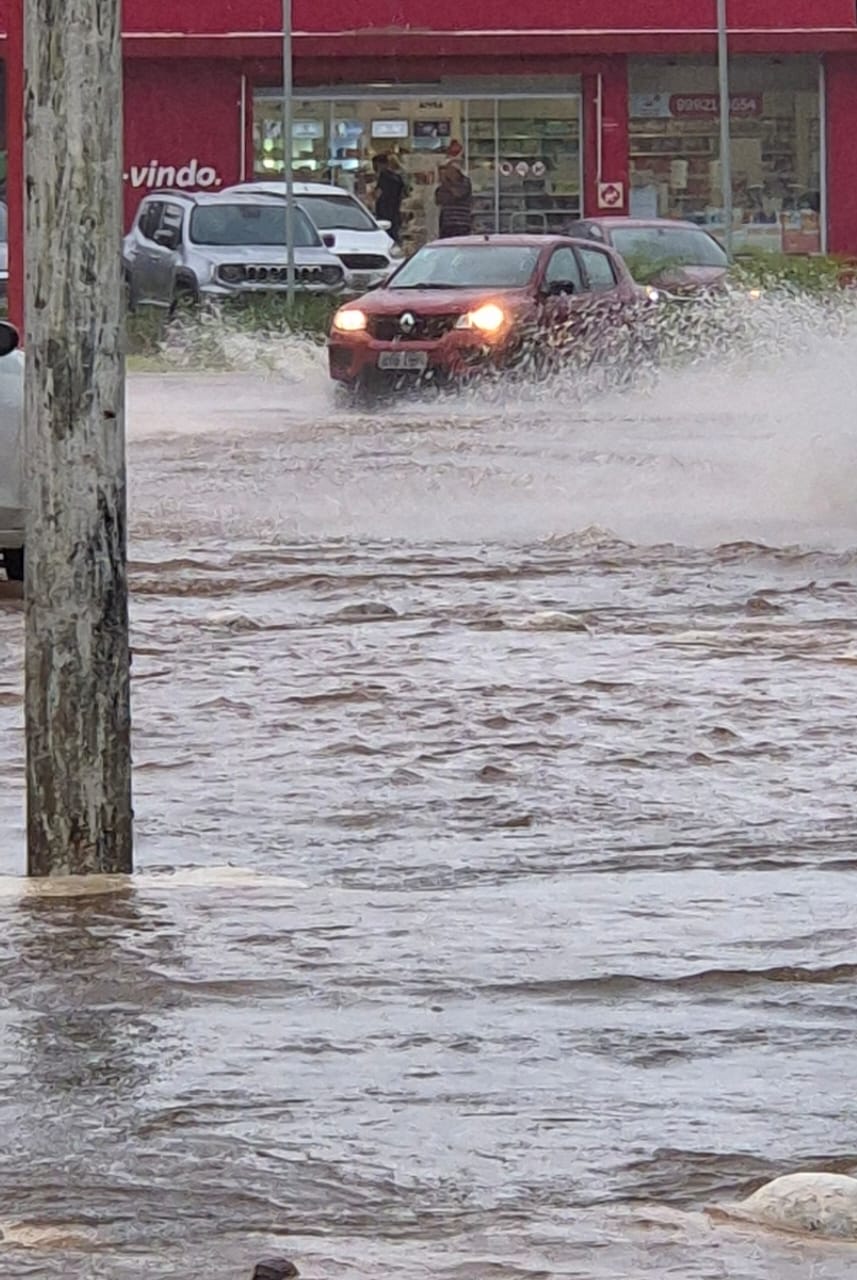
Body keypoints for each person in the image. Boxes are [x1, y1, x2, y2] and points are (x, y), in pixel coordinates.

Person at [435, 156, 473, 239]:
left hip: (461, 223)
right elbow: (439, 200)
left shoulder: (465, 182)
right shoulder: (443, 185)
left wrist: (446, 183)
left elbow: (458, 194)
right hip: (447, 223)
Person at [372, 153, 406, 242]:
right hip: (395, 210)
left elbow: (377, 194)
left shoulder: (384, 177)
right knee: (394, 236)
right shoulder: (397, 177)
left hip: (384, 211)